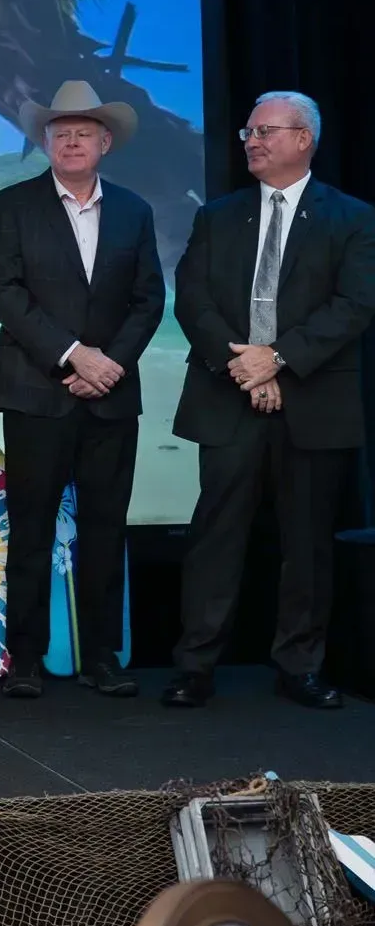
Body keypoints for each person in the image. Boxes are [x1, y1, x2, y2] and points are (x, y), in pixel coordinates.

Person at [163, 91, 375, 709]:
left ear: (303, 138)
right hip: (228, 396)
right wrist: (246, 368)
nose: (252, 141)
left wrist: (277, 359)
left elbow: (354, 305)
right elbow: (192, 297)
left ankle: (300, 665)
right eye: (248, 131)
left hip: (314, 401)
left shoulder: (353, 217)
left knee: (307, 542)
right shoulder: (218, 215)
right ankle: (195, 665)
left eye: (265, 131)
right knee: (215, 535)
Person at [0, 82, 164, 700]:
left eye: (84, 132)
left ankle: (103, 656)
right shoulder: (11, 204)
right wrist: (73, 355)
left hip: (112, 392)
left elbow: (149, 300)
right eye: (61, 133)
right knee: (29, 527)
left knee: (106, 526)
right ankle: (26, 657)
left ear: (105, 143)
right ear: (46, 143)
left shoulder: (136, 211)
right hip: (36, 390)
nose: (72, 140)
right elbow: (6, 294)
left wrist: (108, 363)